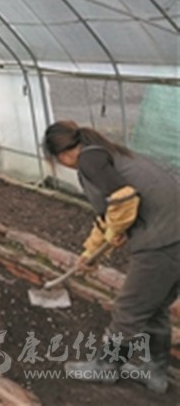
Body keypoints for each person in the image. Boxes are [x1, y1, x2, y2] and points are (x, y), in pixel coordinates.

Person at [43, 121, 179, 394]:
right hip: (173, 233)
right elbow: (109, 216)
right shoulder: (107, 154)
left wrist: (115, 232)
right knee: (153, 306)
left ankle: (107, 365)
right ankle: (155, 373)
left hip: (163, 240)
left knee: (128, 308)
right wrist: (90, 253)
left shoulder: (89, 161)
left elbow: (124, 199)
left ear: (62, 154)